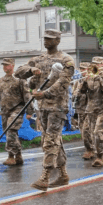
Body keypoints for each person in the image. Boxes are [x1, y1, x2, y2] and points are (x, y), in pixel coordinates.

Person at [15, 29, 74, 191]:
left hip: (57, 107)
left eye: (50, 39)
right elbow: (18, 72)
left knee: (50, 141)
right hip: (42, 108)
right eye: (45, 38)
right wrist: (31, 70)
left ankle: (45, 177)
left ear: (58, 41)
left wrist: (44, 93)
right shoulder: (38, 59)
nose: (46, 41)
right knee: (52, 141)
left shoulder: (66, 60)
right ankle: (62, 175)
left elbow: (63, 82)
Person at [0, 58, 34, 165]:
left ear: (12, 65)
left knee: (10, 131)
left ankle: (11, 156)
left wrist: (30, 111)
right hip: (5, 111)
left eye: (7, 65)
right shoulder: (1, 81)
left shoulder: (20, 80)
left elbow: (27, 96)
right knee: (9, 132)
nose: (4, 67)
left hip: (17, 109)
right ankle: (17, 155)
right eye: (3, 65)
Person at [81, 56, 103, 167]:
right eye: (93, 63)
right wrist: (84, 81)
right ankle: (92, 151)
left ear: (102, 65)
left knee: (98, 132)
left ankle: (100, 157)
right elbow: (81, 91)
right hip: (91, 109)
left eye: (97, 64)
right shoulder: (89, 76)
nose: (95, 66)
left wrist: (99, 77)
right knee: (89, 133)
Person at [72, 62, 96, 160]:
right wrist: (76, 93)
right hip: (80, 109)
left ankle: (90, 150)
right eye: (81, 69)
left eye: (84, 69)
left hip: (89, 110)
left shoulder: (92, 81)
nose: (82, 71)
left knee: (87, 130)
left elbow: (95, 95)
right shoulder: (78, 82)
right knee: (83, 131)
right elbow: (73, 96)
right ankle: (90, 147)